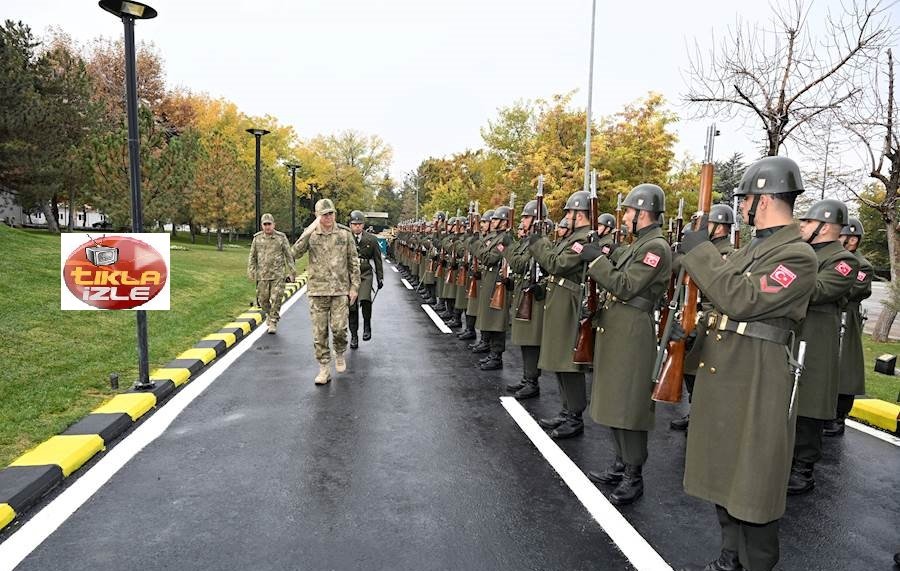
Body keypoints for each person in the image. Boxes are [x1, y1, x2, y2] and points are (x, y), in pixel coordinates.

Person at [676, 156, 817, 571]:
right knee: (724, 473)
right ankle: (729, 556)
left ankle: (755, 563)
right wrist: (691, 332)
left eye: (745, 199)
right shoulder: (752, 249)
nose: (740, 208)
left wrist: (701, 253)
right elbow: (720, 301)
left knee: (753, 487)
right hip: (726, 371)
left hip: (759, 379)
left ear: (766, 199)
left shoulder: (797, 256)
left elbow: (743, 299)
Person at [580, 184, 671, 506]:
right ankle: (620, 463)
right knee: (616, 400)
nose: (625, 217)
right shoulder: (639, 244)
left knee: (630, 403)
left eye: (629, 212)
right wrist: (603, 254)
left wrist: (597, 263)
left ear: (642, 213)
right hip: (617, 326)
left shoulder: (655, 248)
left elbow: (627, 285)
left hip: (632, 330)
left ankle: (634, 475)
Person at [788, 198, 857, 495]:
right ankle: (784, 461)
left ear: (825, 226)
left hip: (816, 339)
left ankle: (803, 469)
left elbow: (818, 290)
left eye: (807, 222)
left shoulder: (844, 260)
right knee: (786, 404)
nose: (801, 226)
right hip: (793, 334)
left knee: (809, 406)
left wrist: (785, 278)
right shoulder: (802, 252)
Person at [527, 191, 592, 439]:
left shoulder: (584, 239)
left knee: (568, 361)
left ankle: (574, 415)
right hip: (558, 298)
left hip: (569, 301)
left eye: (569, 212)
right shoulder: (573, 237)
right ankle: (566, 410)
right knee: (558, 358)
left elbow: (556, 263)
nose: (566, 217)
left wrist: (538, 242)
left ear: (579, 214)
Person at [670, 203, 736, 431]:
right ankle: (694, 412)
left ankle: (703, 417)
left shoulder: (727, 254)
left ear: (719, 228)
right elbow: (678, 266)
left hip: (711, 317)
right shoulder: (705, 250)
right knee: (690, 369)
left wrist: (686, 254)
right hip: (694, 313)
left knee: (704, 373)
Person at [292, 199, 361, 385]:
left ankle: (339, 352)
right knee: (319, 333)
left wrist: (354, 287)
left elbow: (354, 262)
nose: (328, 217)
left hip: (340, 291)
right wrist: (309, 230)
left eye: (331, 213)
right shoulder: (311, 235)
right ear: (317, 216)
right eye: (324, 214)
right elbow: (295, 253)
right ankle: (324, 368)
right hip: (317, 291)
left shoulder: (345, 235)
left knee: (339, 329)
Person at [826, 217, 873, 436]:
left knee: (846, 368)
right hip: (831, 316)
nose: (851, 241)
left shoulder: (862, 265)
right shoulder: (833, 259)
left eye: (855, 237)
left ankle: (839, 416)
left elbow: (853, 290)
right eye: (848, 235)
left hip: (848, 317)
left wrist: (834, 286)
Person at [507, 199, 548, 396]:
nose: (522, 220)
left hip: (535, 295)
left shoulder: (541, 242)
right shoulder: (528, 242)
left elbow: (520, 264)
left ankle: (532, 382)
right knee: (525, 339)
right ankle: (527, 378)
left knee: (531, 340)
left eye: (526, 217)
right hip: (525, 291)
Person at [247, 213, 295, 334]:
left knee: (276, 298)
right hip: (262, 275)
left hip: (278, 274)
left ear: (274, 224)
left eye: (269, 224)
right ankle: (269, 313)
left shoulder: (281, 238)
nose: (267, 227)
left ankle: (273, 321)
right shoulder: (257, 239)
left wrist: (292, 271)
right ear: (262, 225)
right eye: (265, 224)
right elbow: (252, 256)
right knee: (263, 300)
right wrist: (251, 270)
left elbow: (289, 255)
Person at [348, 210, 384, 349]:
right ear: (350, 225)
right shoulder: (346, 238)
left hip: (365, 273)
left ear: (363, 225)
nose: (357, 227)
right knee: (352, 307)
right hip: (349, 275)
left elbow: (377, 259)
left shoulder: (371, 239)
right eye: (354, 224)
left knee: (365, 300)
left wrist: (380, 277)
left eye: (359, 224)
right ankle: (354, 336)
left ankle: (367, 325)